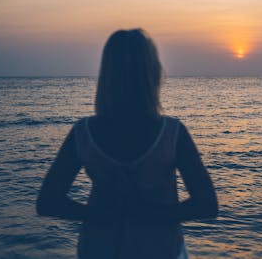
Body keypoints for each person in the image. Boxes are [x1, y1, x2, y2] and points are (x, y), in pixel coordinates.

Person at [36, 29, 218, 259]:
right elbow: (207, 205)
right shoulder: (172, 133)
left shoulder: (83, 133)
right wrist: (149, 213)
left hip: (98, 248)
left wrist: (98, 214)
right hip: (159, 249)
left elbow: (48, 202)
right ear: (151, 73)